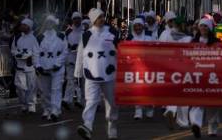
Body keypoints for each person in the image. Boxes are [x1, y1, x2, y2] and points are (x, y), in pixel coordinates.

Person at [75, 8, 120, 140]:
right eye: (99, 17)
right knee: (91, 101)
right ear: (93, 20)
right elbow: (80, 55)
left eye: (102, 16)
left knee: (112, 103)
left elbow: (120, 49)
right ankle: (87, 126)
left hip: (109, 75)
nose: (102, 19)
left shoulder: (112, 32)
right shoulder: (86, 35)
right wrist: (78, 74)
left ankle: (112, 128)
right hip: (91, 74)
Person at [189, 19, 221, 138]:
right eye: (201, 26)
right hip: (197, 76)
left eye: (206, 26)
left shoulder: (217, 42)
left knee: (213, 103)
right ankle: (196, 124)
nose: (203, 28)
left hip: (212, 76)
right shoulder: (193, 42)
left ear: (210, 28)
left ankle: (212, 127)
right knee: (197, 102)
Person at [37, 15, 68, 121]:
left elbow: (65, 52)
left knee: (56, 89)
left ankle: (55, 111)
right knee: (45, 91)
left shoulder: (61, 36)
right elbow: (36, 53)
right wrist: (38, 66)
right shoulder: (40, 37)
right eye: (47, 22)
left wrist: (57, 64)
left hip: (57, 69)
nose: (49, 24)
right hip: (44, 68)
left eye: (51, 22)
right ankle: (47, 109)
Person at [126, 18, 156, 121]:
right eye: (136, 26)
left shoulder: (149, 36)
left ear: (143, 26)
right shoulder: (130, 38)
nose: (138, 28)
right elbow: (126, 52)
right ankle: (138, 111)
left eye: (139, 25)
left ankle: (149, 109)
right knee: (137, 90)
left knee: (149, 90)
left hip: (149, 67)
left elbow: (156, 48)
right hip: (136, 67)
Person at [11, 18, 39, 115]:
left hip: (29, 67)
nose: (22, 26)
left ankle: (31, 106)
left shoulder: (33, 39)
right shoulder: (17, 37)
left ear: (29, 27)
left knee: (31, 87)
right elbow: (13, 50)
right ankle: (23, 104)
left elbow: (36, 52)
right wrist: (17, 54)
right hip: (19, 66)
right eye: (22, 25)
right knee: (20, 87)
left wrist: (35, 64)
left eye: (24, 25)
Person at [63, 12, 85, 109]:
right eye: (75, 18)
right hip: (71, 59)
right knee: (70, 80)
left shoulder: (85, 31)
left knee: (82, 82)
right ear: (72, 20)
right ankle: (67, 100)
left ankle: (82, 100)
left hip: (83, 60)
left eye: (78, 18)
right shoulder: (68, 32)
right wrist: (70, 46)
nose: (77, 20)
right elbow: (64, 45)